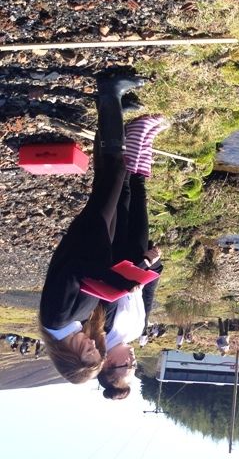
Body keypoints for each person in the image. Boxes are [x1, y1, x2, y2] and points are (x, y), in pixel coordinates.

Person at [39, 71, 146, 384]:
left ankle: (109, 92)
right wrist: (116, 284)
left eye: (87, 351)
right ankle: (109, 107)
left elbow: (73, 272)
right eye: (96, 350)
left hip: (88, 235)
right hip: (97, 241)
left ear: (69, 358)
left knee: (116, 171)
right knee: (107, 175)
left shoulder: (57, 319)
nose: (92, 345)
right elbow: (86, 284)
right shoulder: (70, 326)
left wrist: (113, 280)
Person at [96, 114, 167, 400]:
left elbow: (110, 288)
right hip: (140, 261)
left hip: (118, 255)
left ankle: (132, 133)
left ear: (108, 364)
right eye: (134, 367)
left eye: (128, 366)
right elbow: (147, 293)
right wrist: (154, 266)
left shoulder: (103, 331)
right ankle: (144, 138)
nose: (134, 362)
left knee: (124, 194)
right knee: (139, 195)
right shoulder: (136, 332)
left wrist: (143, 265)